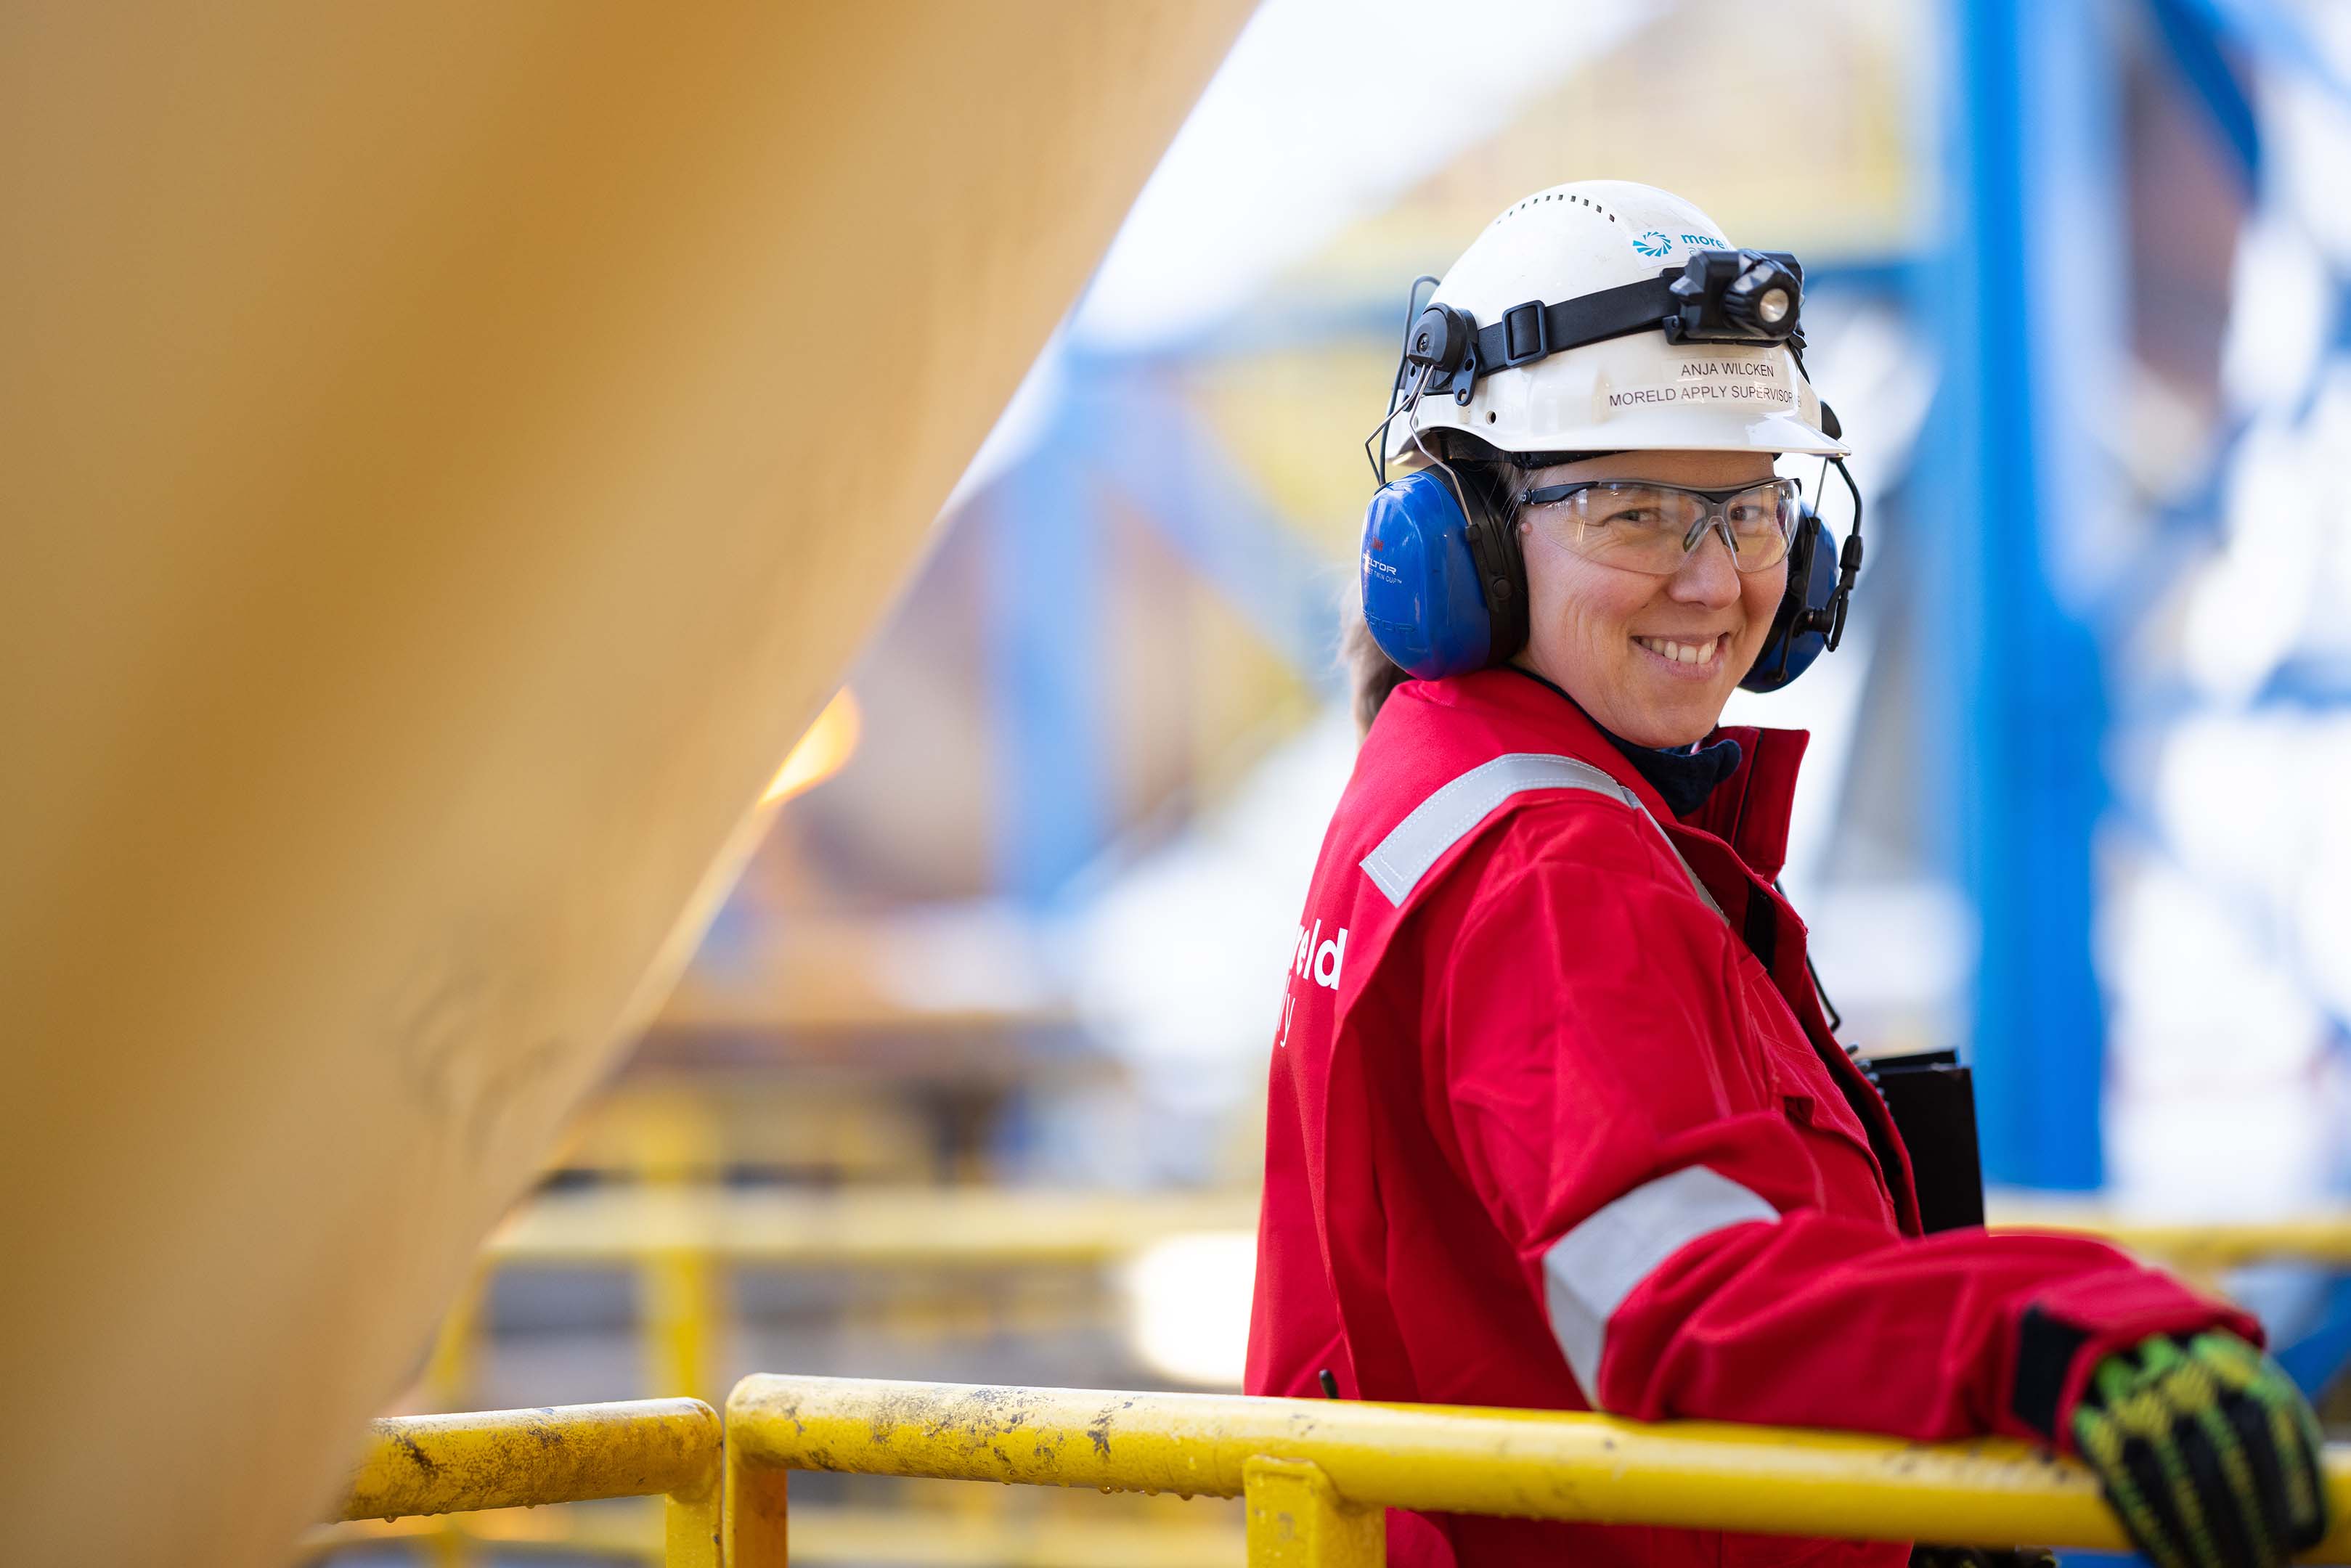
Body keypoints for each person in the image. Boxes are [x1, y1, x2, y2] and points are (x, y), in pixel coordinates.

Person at [1245, 180, 2328, 1568]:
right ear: (1464, 542)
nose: (1713, 585)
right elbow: (1680, 1297)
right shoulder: (1545, 862)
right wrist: (2047, 1335)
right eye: (1634, 513)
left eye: (1750, 511)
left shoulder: (1451, 778)